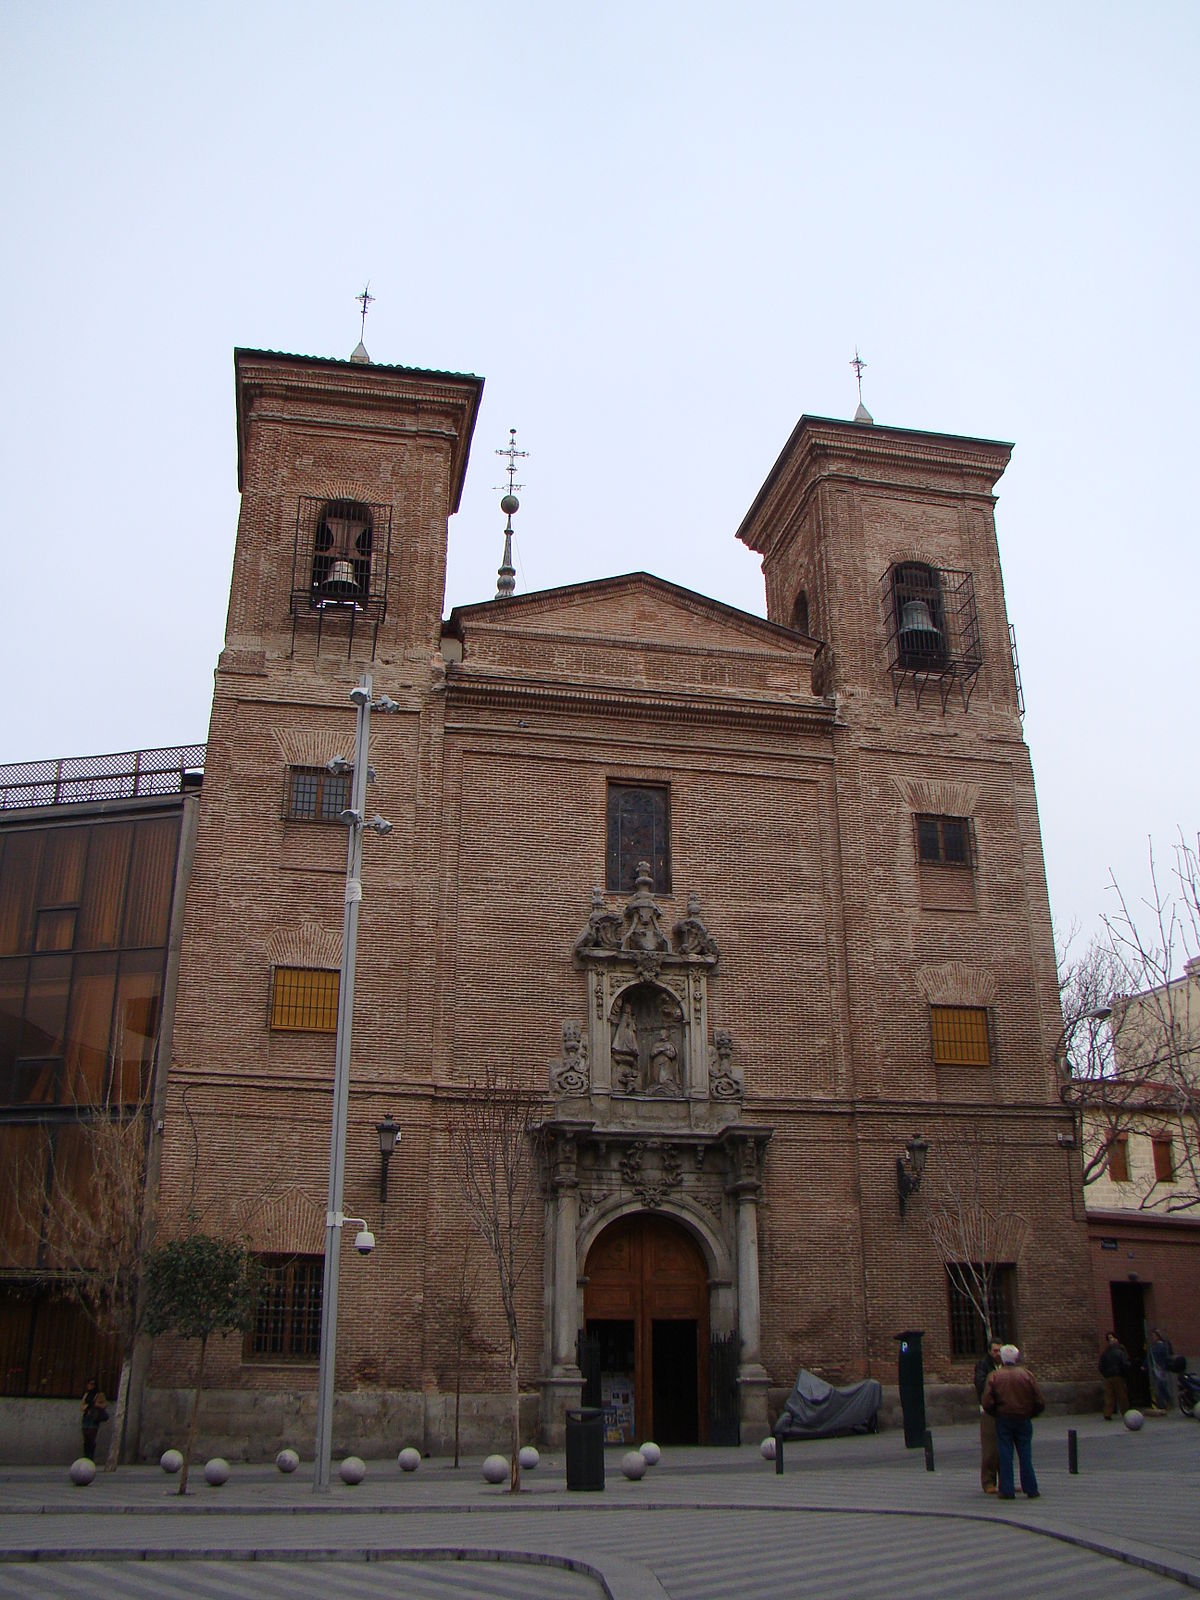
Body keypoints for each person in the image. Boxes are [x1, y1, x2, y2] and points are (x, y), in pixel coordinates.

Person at [981, 1344, 1044, 1500]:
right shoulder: (1027, 1375)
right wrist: (1031, 1413)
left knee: (1005, 1454)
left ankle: (1007, 1489)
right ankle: (1031, 1488)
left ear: (1002, 1358)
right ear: (1017, 1358)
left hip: (1004, 1418)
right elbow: (1039, 1400)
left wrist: (996, 1413)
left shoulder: (995, 1376)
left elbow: (987, 1401)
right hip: (1023, 1418)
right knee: (1025, 1454)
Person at [974, 1339, 1003, 1492]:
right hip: (989, 1410)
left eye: (1000, 1350)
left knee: (1003, 1448)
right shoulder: (983, 1365)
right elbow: (980, 1384)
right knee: (990, 1448)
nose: (997, 1353)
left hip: (1004, 1410)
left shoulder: (1006, 1365)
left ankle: (1006, 1480)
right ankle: (988, 1482)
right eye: (995, 1351)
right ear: (989, 1351)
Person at [1099, 1332, 1131, 1420]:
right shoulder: (1120, 1351)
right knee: (1122, 1395)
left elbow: (1101, 1366)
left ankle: (1107, 1413)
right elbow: (1124, 1363)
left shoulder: (1105, 1353)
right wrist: (1125, 1373)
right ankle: (1125, 1412)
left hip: (1108, 1377)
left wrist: (1105, 1374)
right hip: (1118, 1375)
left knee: (1109, 1396)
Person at [80, 1377, 109, 1461]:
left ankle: (90, 1456)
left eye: (92, 1384)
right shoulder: (86, 1394)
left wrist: (97, 1405)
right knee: (85, 1437)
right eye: (89, 1384)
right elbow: (82, 1406)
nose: (90, 1386)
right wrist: (86, 1407)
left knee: (91, 1437)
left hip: (94, 1418)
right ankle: (86, 1455)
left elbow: (104, 1405)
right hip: (86, 1417)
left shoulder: (99, 1394)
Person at [1148, 1328, 1174, 1412]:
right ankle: (1162, 1404)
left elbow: (1167, 1357)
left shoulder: (1163, 1346)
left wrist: (1163, 1366)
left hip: (1162, 1369)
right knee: (1158, 1387)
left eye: (1154, 1336)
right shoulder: (1153, 1347)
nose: (1153, 1338)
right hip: (1155, 1369)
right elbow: (1149, 1357)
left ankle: (1166, 1403)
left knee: (1161, 1386)